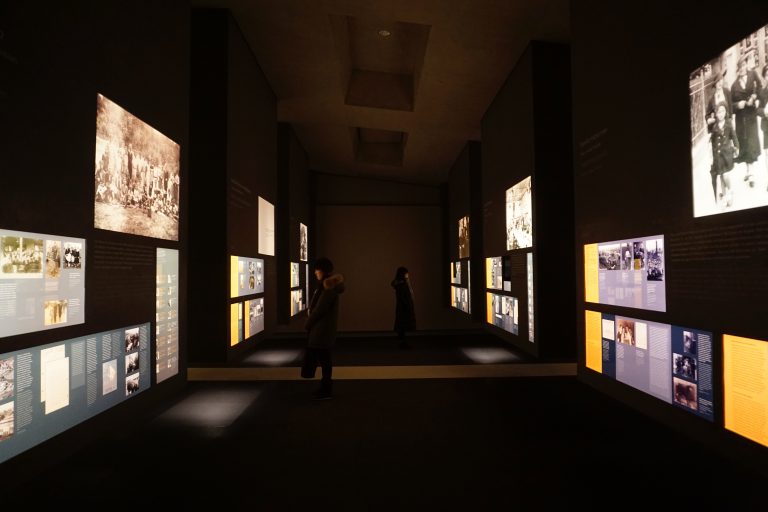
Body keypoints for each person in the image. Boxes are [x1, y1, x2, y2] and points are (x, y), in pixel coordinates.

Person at [304, 257, 345, 400]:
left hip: (321, 330)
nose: (315, 273)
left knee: (325, 360)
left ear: (322, 271)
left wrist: (308, 324)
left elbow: (319, 310)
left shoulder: (328, 289)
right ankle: (325, 388)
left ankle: (326, 389)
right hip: (323, 329)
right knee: (325, 359)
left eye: (317, 270)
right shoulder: (326, 287)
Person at [731, 54, 762, 187]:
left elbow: (760, 86)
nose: (742, 68)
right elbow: (730, 105)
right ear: (738, 69)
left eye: (744, 65)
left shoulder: (753, 74)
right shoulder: (734, 85)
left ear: (746, 65)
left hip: (751, 117)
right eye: (740, 66)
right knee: (744, 144)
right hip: (741, 119)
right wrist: (738, 105)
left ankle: (751, 173)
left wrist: (755, 97)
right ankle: (749, 171)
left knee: (751, 143)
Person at [708, 102, 739, 207]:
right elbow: (713, 142)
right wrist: (712, 156)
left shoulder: (728, 124)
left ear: (725, 112)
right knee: (721, 176)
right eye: (718, 112)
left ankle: (730, 190)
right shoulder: (715, 127)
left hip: (727, 154)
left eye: (722, 111)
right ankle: (725, 196)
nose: (720, 114)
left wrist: (737, 147)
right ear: (716, 114)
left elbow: (734, 136)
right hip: (718, 156)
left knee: (725, 175)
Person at [391, 267, 416, 348]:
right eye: (406, 273)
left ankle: (402, 342)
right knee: (403, 325)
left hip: (402, 307)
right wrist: (408, 306)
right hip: (404, 308)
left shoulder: (401, 284)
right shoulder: (402, 285)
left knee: (402, 325)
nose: (407, 275)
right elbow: (403, 297)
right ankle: (403, 343)